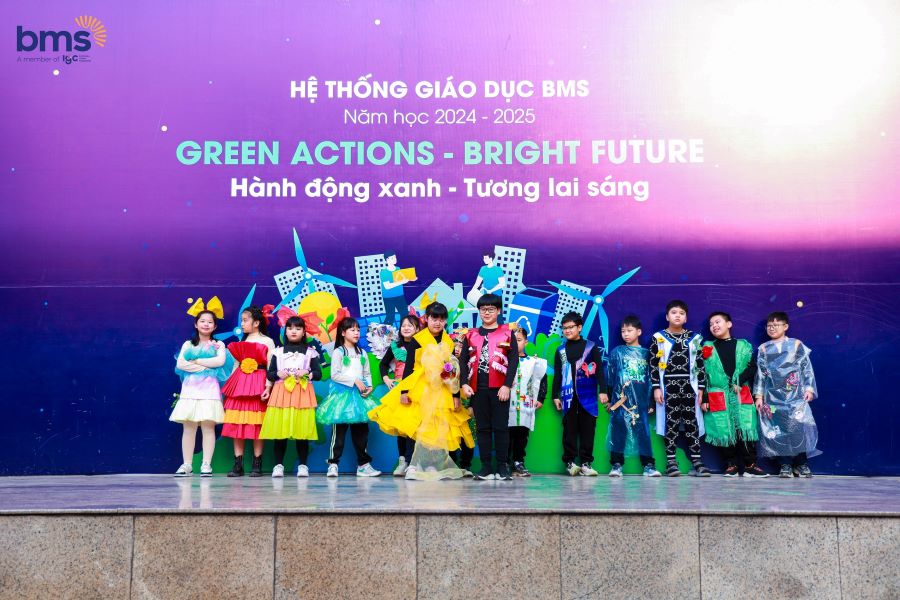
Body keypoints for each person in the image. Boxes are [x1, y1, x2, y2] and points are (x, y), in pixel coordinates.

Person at [369, 302, 475, 480]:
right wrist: (404, 391)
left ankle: (438, 464)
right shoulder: (417, 339)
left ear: (445, 321)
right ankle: (412, 464)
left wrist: (456, 395)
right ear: (427, 319)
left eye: (441, 319)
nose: (438, 322)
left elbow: (454, 371)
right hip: (420, 388)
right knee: (416, 426)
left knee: (441, 427)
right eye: (434, 318)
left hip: (443, 390)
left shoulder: (449, 341)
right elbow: (409, 367)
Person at [458, 294, 519, 480]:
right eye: (483, 309)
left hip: (500, 389)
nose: (487, 312)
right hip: (477, 390)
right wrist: (464, 384)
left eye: (491, 309)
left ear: (498, 311)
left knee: (501, 428)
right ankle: (486, 467)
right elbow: (463, 360)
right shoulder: (471, 335)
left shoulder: (507, 333)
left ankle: (502, 466)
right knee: (482, 429)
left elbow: (513, 360)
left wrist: (507, 385)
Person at [754, 312, 820, 478]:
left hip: (795, 395)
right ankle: (785, 464)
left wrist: (809, 389)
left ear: (785, 326)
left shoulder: (796, 344)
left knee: (797, 429)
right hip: (772, 397)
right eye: (769, 326)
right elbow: (760, 374)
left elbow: (806, 368)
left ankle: (801, 463)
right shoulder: (763, 348)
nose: (772, 328)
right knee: (778, 430)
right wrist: (759, 396)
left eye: (776, 325)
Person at [170, 299, 231, 477]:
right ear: (196, 324)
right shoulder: (188, 344)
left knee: (208, 428)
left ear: (215, 326)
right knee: (189, 428)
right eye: (202, 321)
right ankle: (187, 464)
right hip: (189, 392)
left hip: (210, 393)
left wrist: (196, 361)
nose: (206, 324)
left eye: (210, 322)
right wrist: (205, 367)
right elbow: (181, 364)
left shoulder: (219, 345)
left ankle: (206, 464)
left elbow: (219, 362)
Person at [701, 311, 766, 477]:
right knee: (723, 428)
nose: (714, 326)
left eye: (717, 322)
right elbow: (703, 374)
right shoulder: (707, 347)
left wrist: (739, 380)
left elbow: (752, 367)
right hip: (718, 393)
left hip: (741, 392)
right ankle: (731, 465)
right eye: (711, 324)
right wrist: (705, 398)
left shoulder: (743, 346)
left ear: (729, 324)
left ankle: (750, 465)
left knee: (746, 427)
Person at [650, 300, 710, 477]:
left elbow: (700, 365)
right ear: (667, 316)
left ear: (686, 318)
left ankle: (697, 462)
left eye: (681, 313)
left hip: (690, 386)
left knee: (692, 423)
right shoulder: (658, 338)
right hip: (668, 386)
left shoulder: (695, 338)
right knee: (671, 423)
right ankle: (671, 462)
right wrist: (656, 387)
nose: (677, 315)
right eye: (674, 312)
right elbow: (653, 365)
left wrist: (701, 388)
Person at [317, 317, 381, 477]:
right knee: (338, 433)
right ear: (343, 333)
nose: (356, 332)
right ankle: (333, 464)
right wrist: (354, 381)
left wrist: (369, 386)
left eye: (358, 330)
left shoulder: (362, 353)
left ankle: (363, 465)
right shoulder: (338, 352)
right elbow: (335, 375)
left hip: (359, 398)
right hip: (341, 398)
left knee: (361, 433)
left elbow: (367, 373)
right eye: (352, 330)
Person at [259, 315, 322, 478]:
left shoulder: (310, 352)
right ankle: (278, 465)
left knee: (302, 431)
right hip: (282, 394)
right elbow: (270, 374)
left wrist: (307, 372)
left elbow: (318, 374)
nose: (294, 331)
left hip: (302, 393)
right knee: (281, 431)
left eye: (298, 328)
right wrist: (277, 374)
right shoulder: (277, 352)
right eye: (290, 328)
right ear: (285, 331)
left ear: (303, 332)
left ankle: (303, 465)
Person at [552, 312, 608, 476]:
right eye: (565, 328)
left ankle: (586, 463)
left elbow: (600, 370)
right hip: (567, 395)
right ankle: (569, 462)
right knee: (569, 429)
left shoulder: (591, 346)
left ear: (579, 327)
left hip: (588, 394)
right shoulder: (560, 350)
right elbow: (558, 374)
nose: (567, 331)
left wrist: (603, 391)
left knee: (588, 429)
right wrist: (555, 395)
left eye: (571, 327)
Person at [222, 305, 275, 477]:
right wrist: (230, 387)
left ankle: (257, 463)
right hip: (240, 385)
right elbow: (236, 365)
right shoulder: (241, 342)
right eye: (242, 321)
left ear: (256, 323)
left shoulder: (267, 341)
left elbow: (271, 366)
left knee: (257, 424)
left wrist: (268, 386)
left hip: (257, 385)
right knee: (237, 423)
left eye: (245, 320)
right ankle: (238, 464)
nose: (242, 324)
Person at [602, 316, 659, 477]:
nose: (626, 334)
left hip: (641, 402)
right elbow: (611, 377)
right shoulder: (617, 352)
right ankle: (616, 465)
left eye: (629, 330)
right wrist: (610, 399)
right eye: (623, 331)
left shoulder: (647, 354)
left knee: (643, 434)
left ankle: (649, 466)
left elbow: (651, 380)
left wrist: (651, 403)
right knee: (618, 432)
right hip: (620, 401)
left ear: (639, 332)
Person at [373, 315, 421, 476]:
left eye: (410, 325)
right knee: (401, 428)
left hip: (417, 389)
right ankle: (403, 462)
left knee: (414, 427)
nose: (406, 328)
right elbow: (383, 364)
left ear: (417, 329)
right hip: (400, 390)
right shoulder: (395, 346)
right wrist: (386, 378)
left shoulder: (422, 346)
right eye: (404, 325)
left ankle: (413, 462)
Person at [507, 327, 547, 477]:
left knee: (522, 434)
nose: (515, 343)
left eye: (518, 340)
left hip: (525, 404)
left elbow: (542, 379)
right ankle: (504, 462)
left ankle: (518, 462)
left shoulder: (533, 362)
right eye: (512, 340)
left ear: (526, 342)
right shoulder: (503, 360)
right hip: (507, 403)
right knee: (506, 434)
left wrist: (541, 397)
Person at [380, 252, 416, 326]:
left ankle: (402, 330)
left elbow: (402, 279)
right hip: (388, 297)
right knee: (390, 316)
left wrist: (411, 278)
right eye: (392, 258)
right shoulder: (383, 272)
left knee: (404, 314)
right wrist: (402, 282)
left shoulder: (398, 269)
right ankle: (383, 331)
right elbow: (387, 286)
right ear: (387, 260)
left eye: (395, 257)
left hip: (399, 296)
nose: (395, 259)